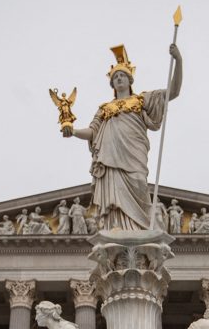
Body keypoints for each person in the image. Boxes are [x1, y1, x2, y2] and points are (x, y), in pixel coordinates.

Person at [65, 44, 183, 231]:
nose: (119, 79)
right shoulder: (105, 108)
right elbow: (93, 131)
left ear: (130, 80)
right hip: (111, 160)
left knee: (139, 184)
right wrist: (73, 131)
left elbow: (173, 92)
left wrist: (178, 60)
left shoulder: (142, 100)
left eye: (122, 76)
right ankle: (117, 231)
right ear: (112, 84)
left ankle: (142, 231)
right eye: (115, 77)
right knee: (115, 198)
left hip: (134, 156)